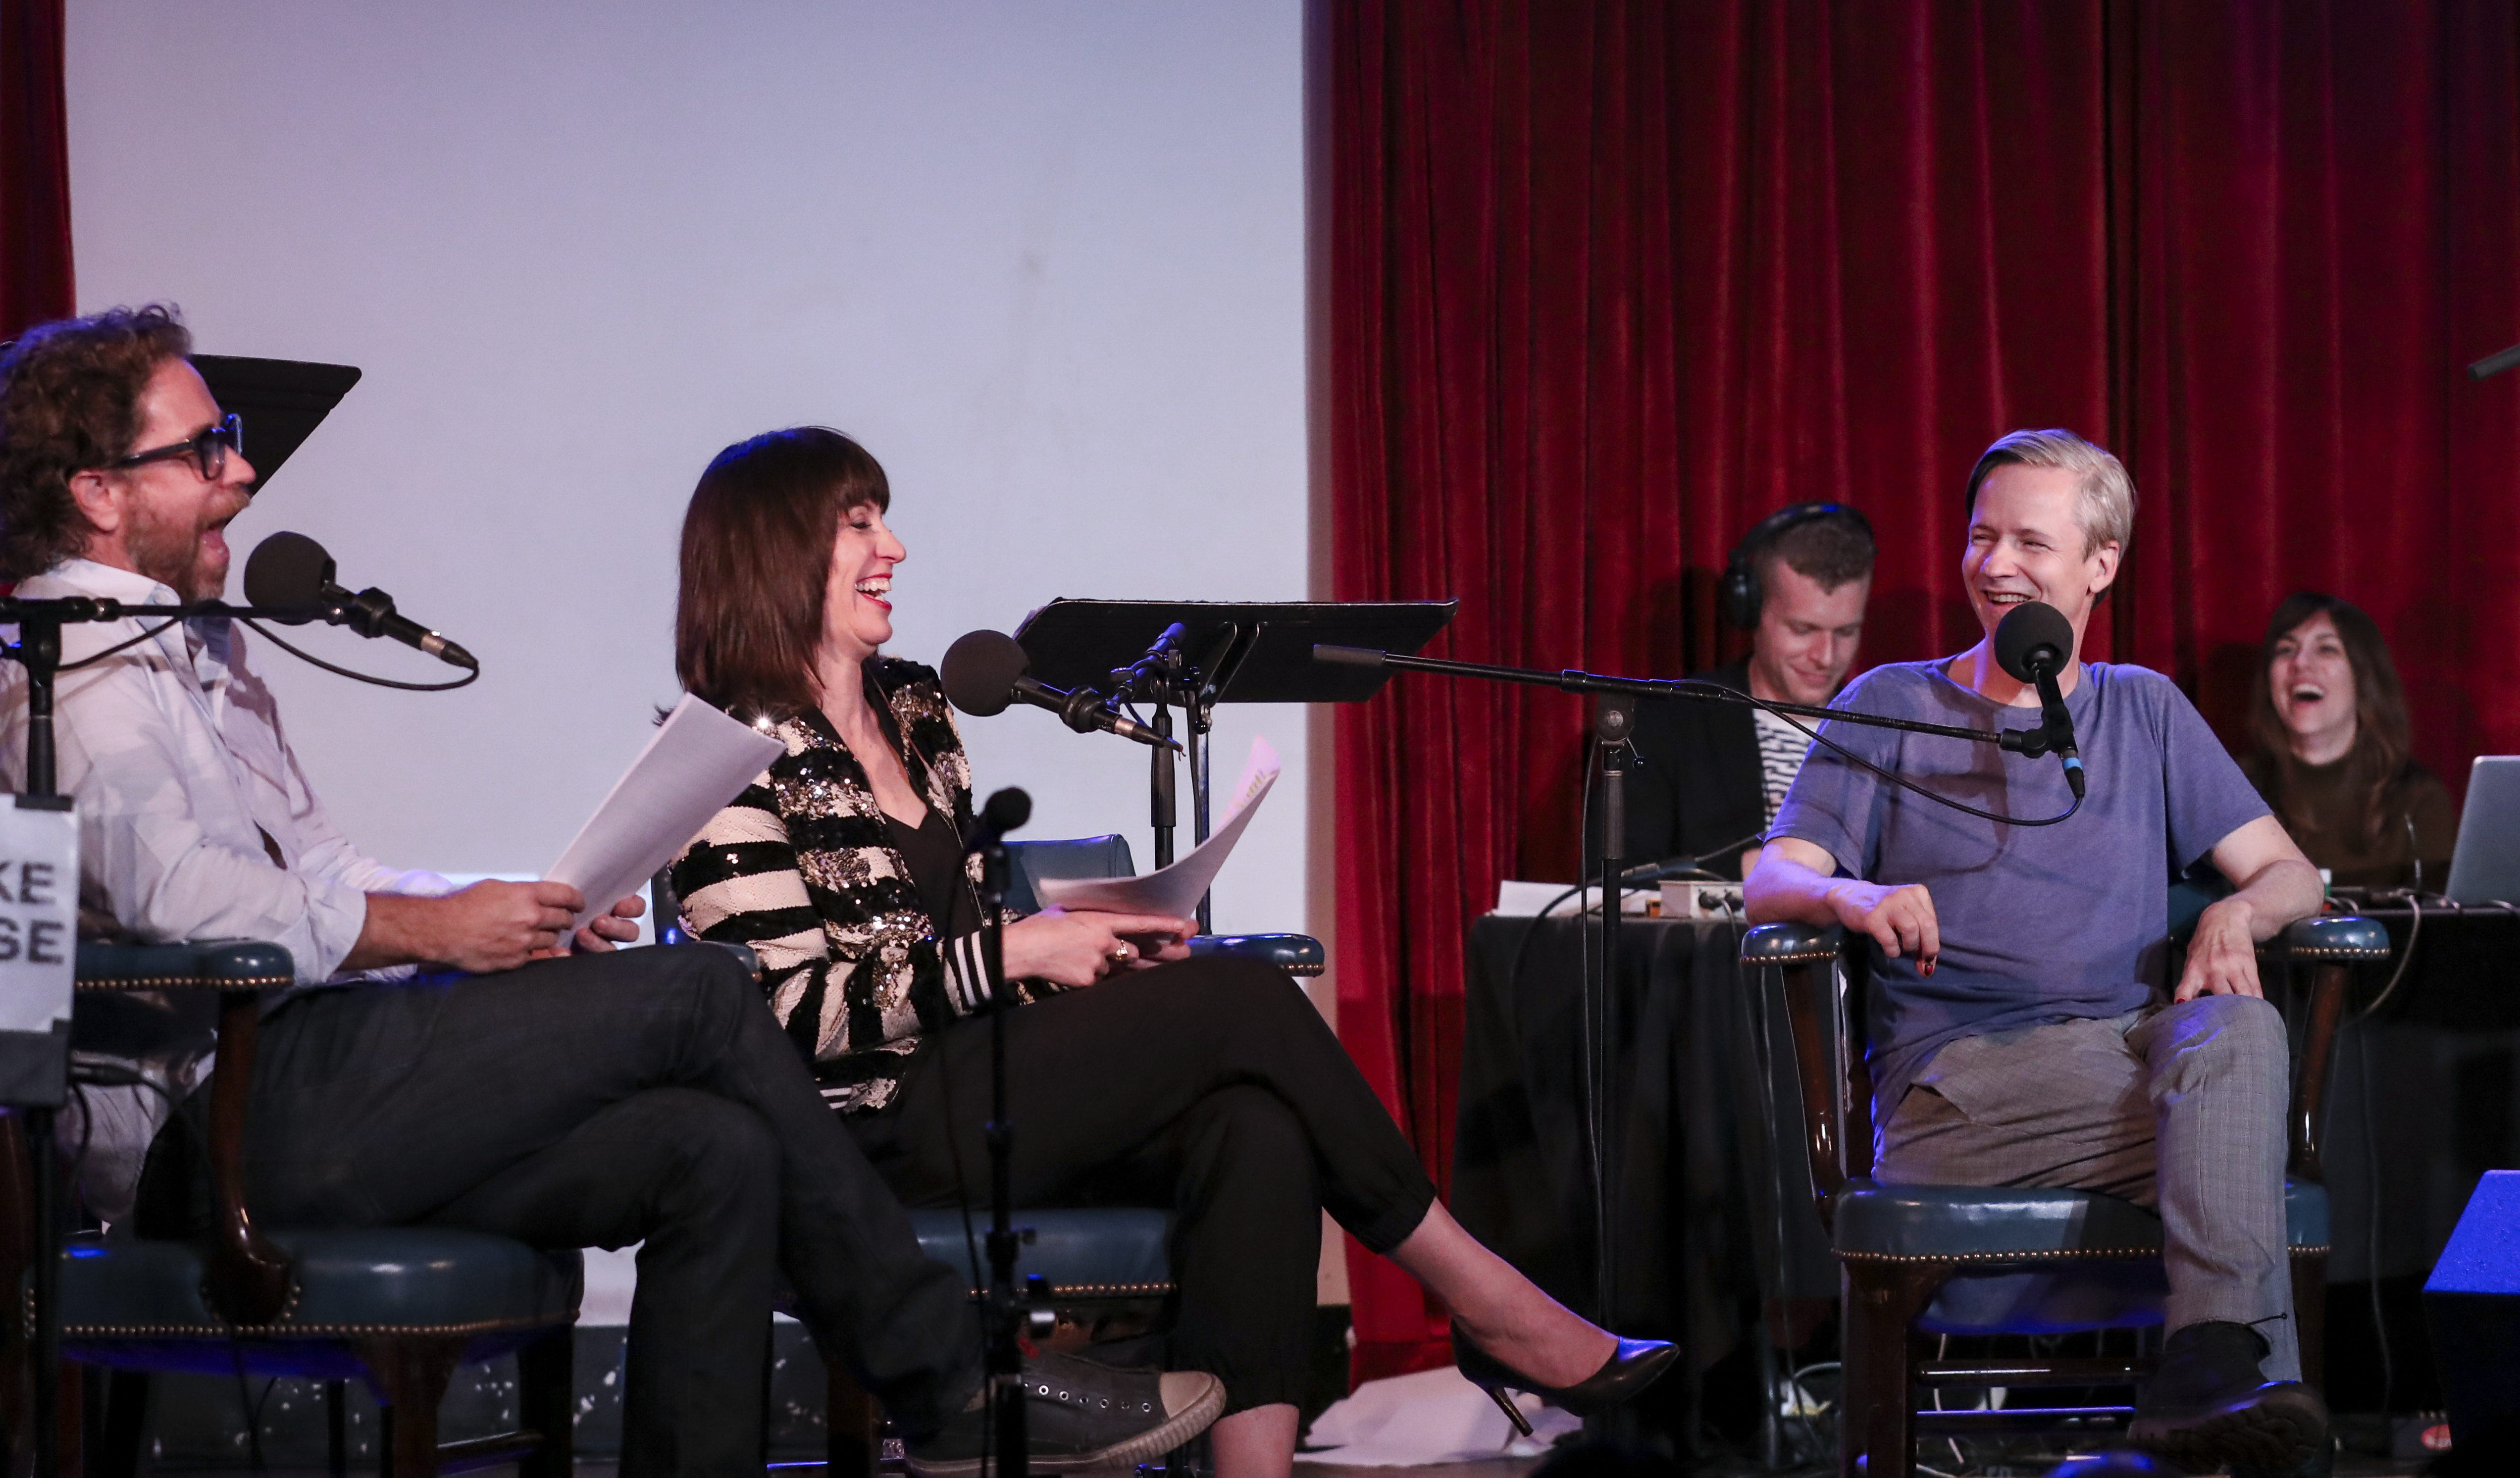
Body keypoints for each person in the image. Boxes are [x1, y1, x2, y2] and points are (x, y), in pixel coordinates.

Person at [0, 309, 1221, 1478]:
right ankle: (949, 1391)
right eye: (207, 448)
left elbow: (319, 873)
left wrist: (515, 906)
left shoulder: (194, 651)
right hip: (216, 1132)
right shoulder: (68, 664)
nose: (242, 472)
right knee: (692, 988)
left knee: (708, 1147)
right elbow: (187, 902)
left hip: (316, 1091)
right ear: (100, 494)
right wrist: (432, 930)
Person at [664, 427, 1675, 1478]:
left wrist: (1091, 957)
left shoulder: (917, 712)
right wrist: (1012, 955)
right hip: (860, 1135)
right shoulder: (721, 755)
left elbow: (953, 952)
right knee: (1240, 999)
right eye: (860, 522)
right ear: (774, 550)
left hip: (973, 1088)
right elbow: (780, 1018)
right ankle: (1486, 1300)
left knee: (1255, 1124)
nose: (897, 548)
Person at [1744, 429, 2331, 1476]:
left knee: (2241, 1027)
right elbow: (1767, 877)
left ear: (2098, 565)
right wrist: (1849, 888)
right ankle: (2236, 1404)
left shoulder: (2141, 708)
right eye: (1979, 537)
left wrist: (2233, 916)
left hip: (2126, 1058)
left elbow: (2292, 876)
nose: (1995, 564)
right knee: (2232, 1146)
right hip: (1957, 1088)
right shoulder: (1890, 701)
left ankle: (2205, 1369)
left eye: (2028, 541)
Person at [1624, 503, 1875, 871]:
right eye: (1803, 631)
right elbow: (1613, 882)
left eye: (1846, 632)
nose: (1826, 656)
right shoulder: (1672, 720)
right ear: (1751, 611)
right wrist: (1758, 871)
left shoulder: (1878, 730)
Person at [2245, 591, 2457, 890]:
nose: (2301, 664)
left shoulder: (2419, 799)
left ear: (2364, 675)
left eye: (2327, 649)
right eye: (2285, 650)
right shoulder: (2236, 792)